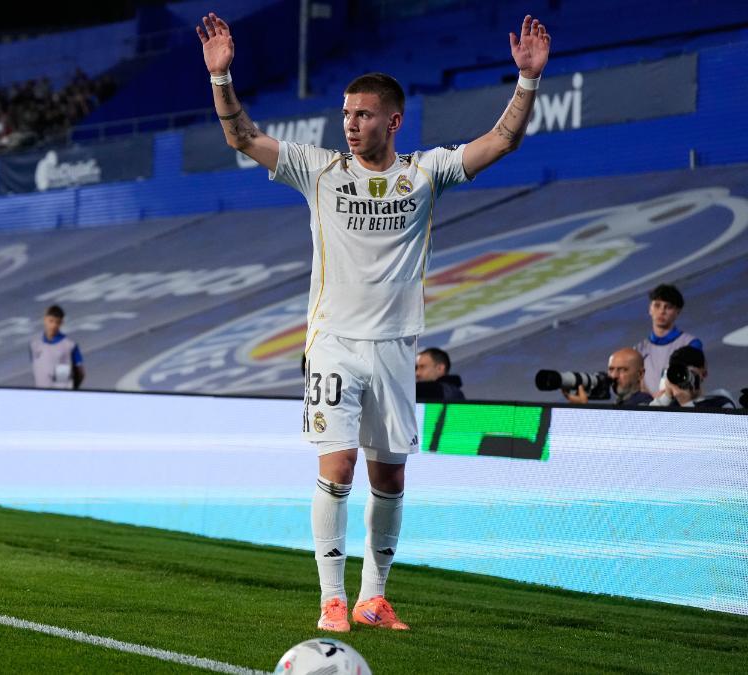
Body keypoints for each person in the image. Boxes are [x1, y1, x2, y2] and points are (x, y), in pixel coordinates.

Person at [196, 12, 551, 632]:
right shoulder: (320, 170)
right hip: (332, 343)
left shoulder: (424, 174)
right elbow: (242, 137)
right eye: (345, 114)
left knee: (390, 476)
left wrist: (526, 83)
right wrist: (221, 76)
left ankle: (373, 596)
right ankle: (332, 597)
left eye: (362, 115)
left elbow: (501, 143)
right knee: (336, 469)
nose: (350, 125)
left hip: (395, 349)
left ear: (393, 120)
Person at [634, 284, 702, 394]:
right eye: (657, 305)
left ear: (677, 312)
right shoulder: (638, 350)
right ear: (650, 309)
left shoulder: (691, 344)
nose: (662, 311)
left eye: (668, 307)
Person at [649, 346, 735, 409]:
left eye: (688, 373)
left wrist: (686, 402)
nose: (682, 377)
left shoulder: (720, 401)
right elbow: (644, 425)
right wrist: (666, 396)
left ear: (703, 374)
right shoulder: (667, 404)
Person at [561, 347, 653, 406]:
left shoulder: (645, 404)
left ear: (640, 374)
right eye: (611, 369)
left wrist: (583, 408)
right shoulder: (621, 403)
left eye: (622, 370)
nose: (614, 376)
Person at [29, 305, 84, 390]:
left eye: (57, 322)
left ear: (61, 323)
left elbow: (79, 373)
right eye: (51, 321)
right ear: (45, 320)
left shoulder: (68, 346)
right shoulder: (35, 345)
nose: (54, 325)